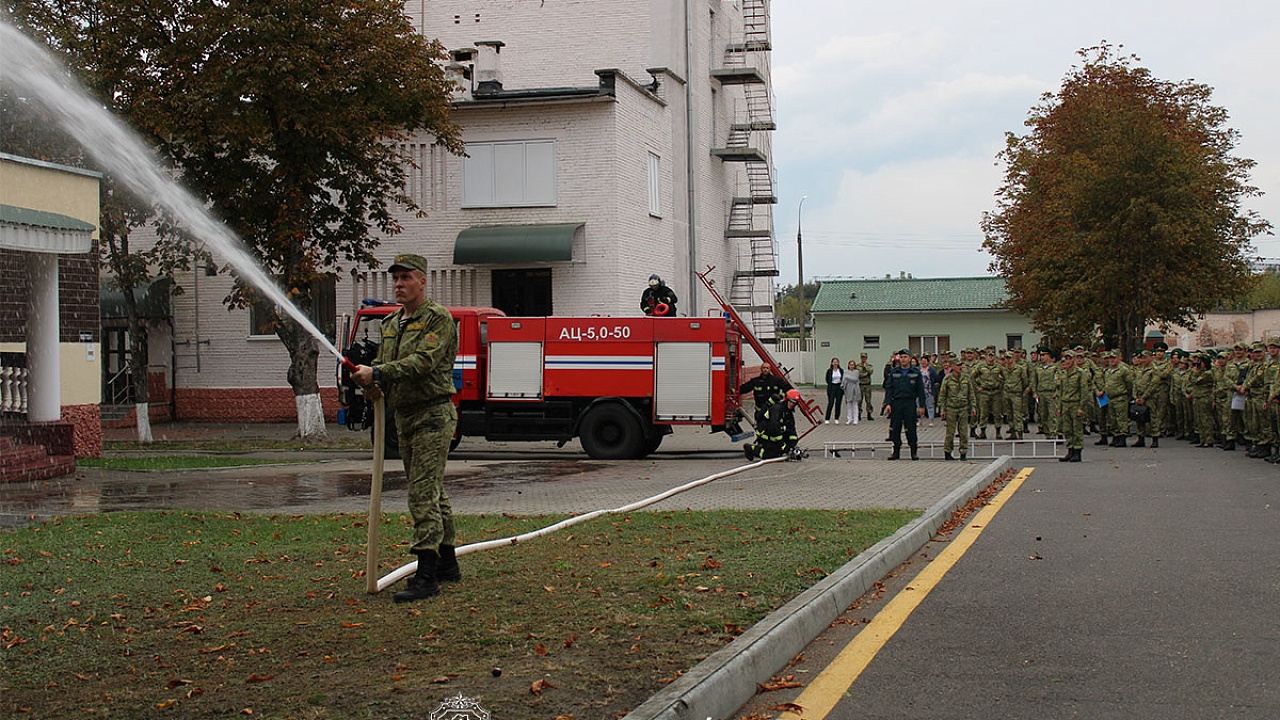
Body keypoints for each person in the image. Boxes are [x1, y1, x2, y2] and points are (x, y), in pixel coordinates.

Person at [351, 253, 461, 604]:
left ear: (422, 281)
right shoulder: (390, 323)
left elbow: (424, 362)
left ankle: (426, 575)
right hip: (404, 415)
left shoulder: (437, 319)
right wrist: (371, 384)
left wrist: (379, 372)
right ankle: (448, 563)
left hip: (432, 414)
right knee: (431, 490)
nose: (399, 285)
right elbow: (385, 365)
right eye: (395, 279)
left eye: (405, 278)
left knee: (421, 493)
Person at [883, 349, 927, 460]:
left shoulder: (915, 372)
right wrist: (888, 403)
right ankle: (896, 451)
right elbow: (889, 389)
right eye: (901, 357)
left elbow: (921, 390)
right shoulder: (894, 372)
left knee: (911, 428)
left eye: (905, 357)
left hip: (910, 403)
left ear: (910, 358)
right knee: (895, 428)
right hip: (897, 403)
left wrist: (922, 405)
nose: (903, 359)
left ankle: (913, 451)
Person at [744, 388, 801, 460]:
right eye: (791, 402)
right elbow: (774, 427)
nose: (792, 404)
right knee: (771, 455)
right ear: (786, 400)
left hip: (775, 434)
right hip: (765, 434)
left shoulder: (788, 413)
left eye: (794, 403)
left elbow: (791, 429)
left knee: (781, 450)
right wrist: (782, 444)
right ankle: (750, 448)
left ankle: (776, 449)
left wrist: (793, 445)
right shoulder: (777, 409)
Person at [937, 353, 973, 460]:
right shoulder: (947, 379)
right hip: (951, 408)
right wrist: (942, 410)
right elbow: (942, 395)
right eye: (958, 365)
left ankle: (963, 453)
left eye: (961, 365)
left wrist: (973, 407)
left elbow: (971, 394)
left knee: (963, 432)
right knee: (950, 432)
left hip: (963, 408)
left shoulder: (966, 378)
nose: (960, 367)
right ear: (952, 366)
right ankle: (948, 453)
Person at [840, 359, 861, 424]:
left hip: (855, 389)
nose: (851, 366)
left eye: (853, 365)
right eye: (850, 365)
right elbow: (843, 379)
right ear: (848, 365)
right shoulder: (845, 371)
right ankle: (849, 419)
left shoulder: (856, 372)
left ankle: (855, 419)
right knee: (849, 405)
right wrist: (843, 384)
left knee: (855, 404)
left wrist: (847, 378)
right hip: (848, 389)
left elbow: (855, 379)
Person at [823, 357, 844, 424]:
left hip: (839, 387)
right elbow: (827, 379)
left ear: (838, 363)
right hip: (832, 387)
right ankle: (827, 418)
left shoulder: (841, 370)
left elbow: (843, 378)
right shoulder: (829, 371)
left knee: (838, 403)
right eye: (834, 362)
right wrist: (830, 385)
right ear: (832, 363)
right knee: (831, 403)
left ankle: (836, 418)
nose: (835, 363)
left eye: (836, 362)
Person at [856, 353, 875, 422]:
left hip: (867, 385)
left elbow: (870, 371)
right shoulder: (857, 366)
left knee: (868, 400)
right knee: (859, 400)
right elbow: (858, 374)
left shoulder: (869, 366)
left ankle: (869, 414)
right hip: (860, 384)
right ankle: (858, 414)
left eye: (864, 357)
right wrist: (865, 374)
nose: (863, 359)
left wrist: (865, 367)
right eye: (862, 357)